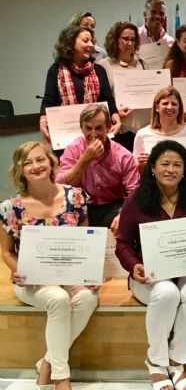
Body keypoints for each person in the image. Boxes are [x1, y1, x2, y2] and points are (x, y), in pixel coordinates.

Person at [0, 142, 98, 390]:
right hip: (32, 280)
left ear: (51, 163)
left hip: (68, 274)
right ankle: (61, 378)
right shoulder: (10, 207)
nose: (36, 166)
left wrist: (90, 273)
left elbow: (85, 240)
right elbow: (6, 252)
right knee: (58, 298)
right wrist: (16, 270)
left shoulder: (74, 196)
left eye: (40, 160)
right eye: (28, 162)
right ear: (20, 170)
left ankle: (47, 363)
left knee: (88, 298)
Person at [116, 140, 186, 390]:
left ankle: (177, 361)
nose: (171, 170)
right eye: (165, 164)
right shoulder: (137, 198)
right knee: (167, 292)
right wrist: (133, 266)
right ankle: (156, 362)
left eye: (177, 165)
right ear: (153, 168)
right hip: (149, 276)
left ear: (184, 169)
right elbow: (122, 242)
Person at [57, 104, 139, 231]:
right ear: (81, 128)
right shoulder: (73, 149)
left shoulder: (123, 155)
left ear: (108, 127)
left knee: (128, 221)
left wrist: (123, 213)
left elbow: (134, 193)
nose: (93, 134)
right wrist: (85, 159)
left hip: (113, 206)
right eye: (88, 128)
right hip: (80, 206)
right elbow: (61, 185)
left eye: (99, 128)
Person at [40, 25, 121, 144]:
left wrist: (116, 118)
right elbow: (49, 100)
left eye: (92, 41)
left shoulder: (99, 70)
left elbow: (108, 100)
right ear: (71, 43)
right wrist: (43, 121)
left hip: (96, 137)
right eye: (85, 40)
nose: (91, 45)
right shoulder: (56, 70)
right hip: (66, 139)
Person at [99, 20, 148, 151]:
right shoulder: (104, 65)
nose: (130, 43)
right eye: (125, 39)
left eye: (133, 39)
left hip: (144, 128)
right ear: (115, 40)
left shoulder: (142, 64)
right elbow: (101, 99)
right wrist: (114, 113)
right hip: (120, 129)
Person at [133, 87, 186, 171]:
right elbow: (137, 172)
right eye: (165, 103)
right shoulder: (142, 134)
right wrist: (141, 165)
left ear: (179, 108)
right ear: (157, 108)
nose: (169, 107)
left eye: (174, 104)